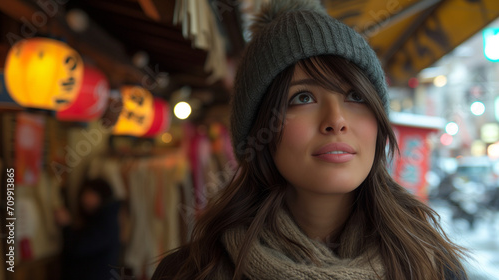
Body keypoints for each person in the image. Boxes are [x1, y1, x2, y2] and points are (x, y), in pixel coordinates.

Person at [152, 0, 468, 279]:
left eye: (355, 96)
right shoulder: (192, 271)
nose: (336, 121)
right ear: (258, 130)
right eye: (303, 97)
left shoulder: (431, 267)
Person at [55, 178, 121, 280]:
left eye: (91, 193)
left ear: (102, 196)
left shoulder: (106, 221)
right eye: (85, 193)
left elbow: (79, 247)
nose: (85, 198)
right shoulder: (98, 218)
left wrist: (66, 225)